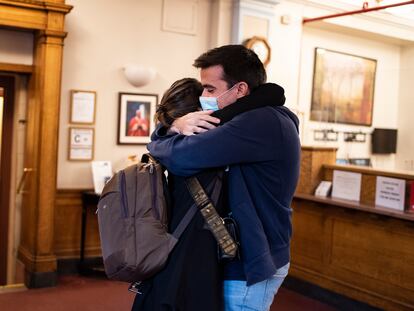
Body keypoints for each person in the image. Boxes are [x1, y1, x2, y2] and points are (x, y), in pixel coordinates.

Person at [147, 45, 301, 311]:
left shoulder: (259, 122)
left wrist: (168, 129)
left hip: (251, 261)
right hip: (249, 253)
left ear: (240, 89)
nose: (204, 97)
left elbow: (181, 158)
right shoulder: (260, 116)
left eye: (210, 89)